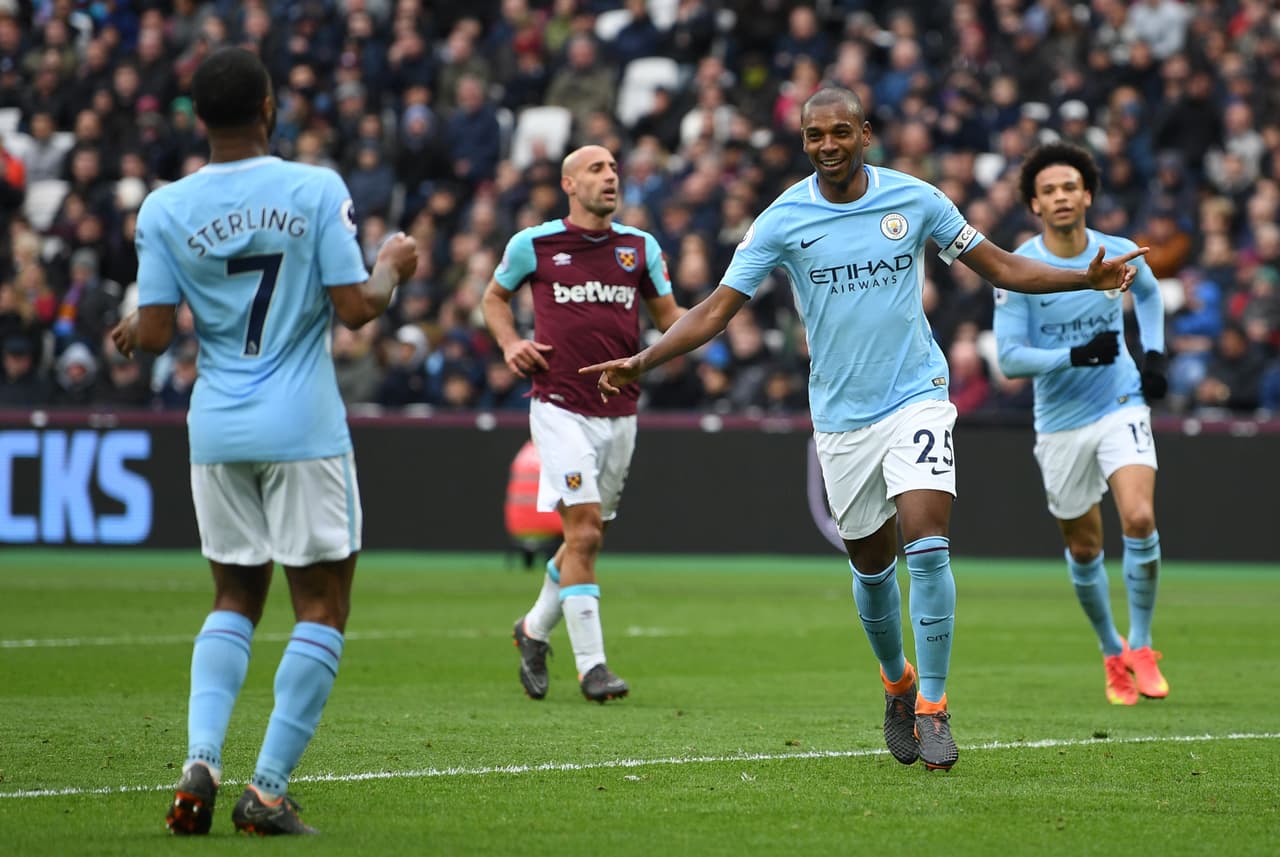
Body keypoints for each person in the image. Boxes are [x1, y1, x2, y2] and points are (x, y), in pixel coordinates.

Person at [581, 88, 1146, 771]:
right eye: (815, 134)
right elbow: (715, 311)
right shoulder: (783, 219)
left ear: (865, 134)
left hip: (918, 396)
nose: (828, 144)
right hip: (844, 418)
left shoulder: (915, 199)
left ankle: (935, 706)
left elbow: (997, 263)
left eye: (840, 131)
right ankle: (897, 681)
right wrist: (644, 357)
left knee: (929, 546)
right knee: (872, 568)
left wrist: (1079, 281)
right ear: (804, 140)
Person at [110, 48, 418, 836]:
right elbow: (355, 310)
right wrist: (390, 267)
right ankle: (268, 791)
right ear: (270, 107)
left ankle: (199, 762)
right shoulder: (314, 188)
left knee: (233, 597)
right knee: (321, 602)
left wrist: (127, 329)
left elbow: (150, 333)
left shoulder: (164, 208)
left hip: (216, 429)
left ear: (198, 117)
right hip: (302, 425)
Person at [481, 144, 683, 704]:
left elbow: (671, 321)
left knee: (586, 539)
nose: (610, 176)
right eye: (597, 169)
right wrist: (510, 341)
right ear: (569, 184)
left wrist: (723, 313)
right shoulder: (535, 244)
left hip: (621, 414)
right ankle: (593, 668)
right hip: (558, 406)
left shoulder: (640, 249)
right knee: (586, 532)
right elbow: (493, 298)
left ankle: (532, 630)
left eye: (615, 168)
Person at [992, 142, 1170, 707]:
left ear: (1087, 194)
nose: (1061, 196)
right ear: (1035, 207)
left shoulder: (1117, 250)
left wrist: (1156, 356)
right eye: (1049, 190)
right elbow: (1010, 359)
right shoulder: (1022, 267)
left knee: (1139, 518)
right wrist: (1073, 357)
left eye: (1070, 186)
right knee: (1086, 547)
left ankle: (1141, 645)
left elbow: (1150, 291)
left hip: (1121, 400)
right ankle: (1110, 650)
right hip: (1060, 423)